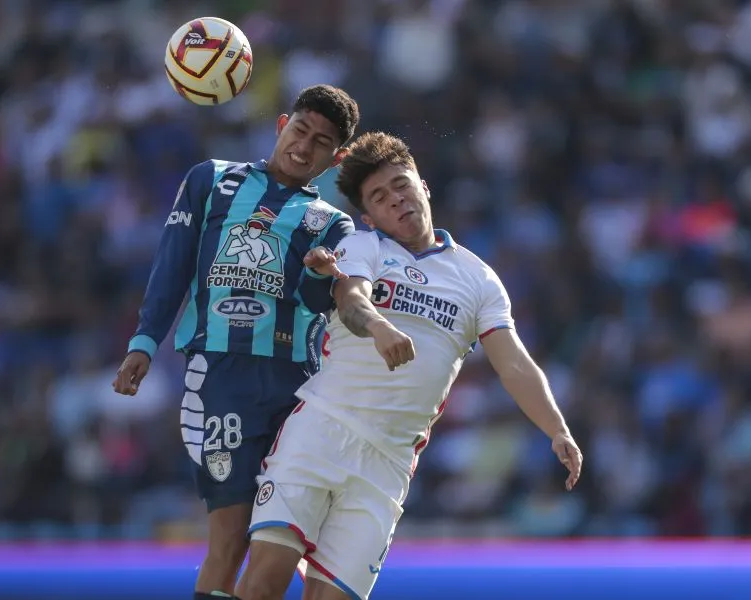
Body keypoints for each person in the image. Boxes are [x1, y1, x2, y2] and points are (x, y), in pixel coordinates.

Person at [234, 132, 584, 600]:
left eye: (401, 185)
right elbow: (352, 299)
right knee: (262, 584)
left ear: (423, 186)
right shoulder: (365, 248)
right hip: (320, 434)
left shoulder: (478, 278)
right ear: (368, 215)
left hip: (387, 466)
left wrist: (556, 428)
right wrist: (380, 328)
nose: (396, 200)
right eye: (380, 197)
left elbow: (514, 363)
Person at [112, 85, 360, 600]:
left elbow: (321, 302)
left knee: (282, 546)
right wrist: (144, 340)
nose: (303, 146)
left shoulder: (334, 224)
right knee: (227, 541)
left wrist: (320, 277)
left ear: (334, 159)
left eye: (320, 142)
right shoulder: (211, 179)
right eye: (300, 130)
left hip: (299, 392)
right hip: (221, 379)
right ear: (281, 124)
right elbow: (172, 265)